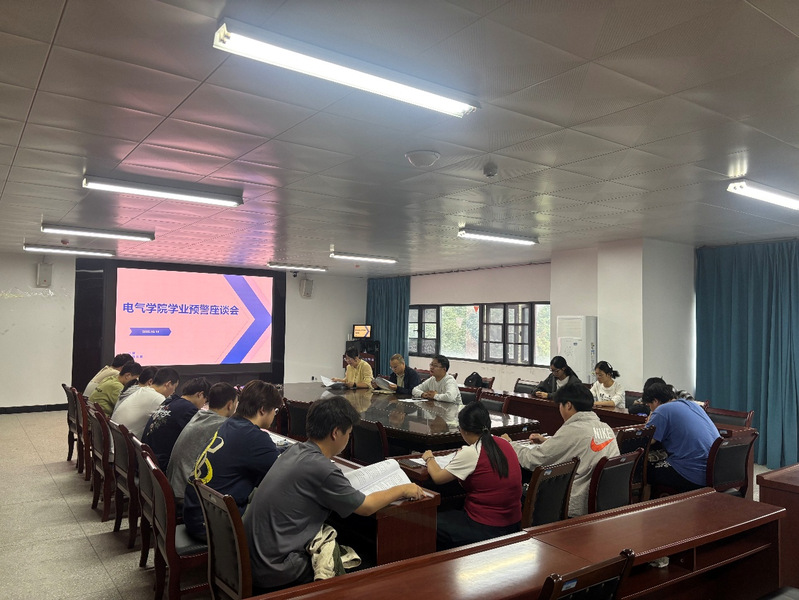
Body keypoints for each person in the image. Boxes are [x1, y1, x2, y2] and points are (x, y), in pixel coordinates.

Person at [244, 395, 424, 591]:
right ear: (336, 433)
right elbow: (366, 507)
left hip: (253, 557)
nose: (348, 438)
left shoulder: (295, 450)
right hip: (276, 568)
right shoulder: (322, 468)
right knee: (361, 564)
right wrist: (404, 488)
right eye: (349, 433)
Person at [183, 380, 283, 541]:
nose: (274, 415)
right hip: (211, 525)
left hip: (196, 513)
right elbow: (285, 477)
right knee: (281, 509)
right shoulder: (255, 438)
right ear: (263, 409)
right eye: (275, 410)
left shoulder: (230, 424)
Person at [502, 384, 618, 517]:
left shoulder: (574, 430)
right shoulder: (606, 428)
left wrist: (508, 444)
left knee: (513, 492)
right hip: (603, 502)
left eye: (560, 405)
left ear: (568, 405)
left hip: (572, 503)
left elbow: (534, 460)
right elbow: (580, 445)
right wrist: (547, 441)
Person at [421, 401, 522, 550]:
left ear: (464, 431)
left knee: (425, 522)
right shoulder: (504, 443)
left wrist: (429, 458)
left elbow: (437, 477)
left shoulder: (472, 452)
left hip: (486, 527)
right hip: (513, 523)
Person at [167, 382, 238, 503]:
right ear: (230, 405)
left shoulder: (199, 415)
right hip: (185, 494)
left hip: (174, 485)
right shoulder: (222, 425)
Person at [643, 382, 720, 493]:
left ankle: (651, 503)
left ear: (655, 401)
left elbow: (647, 439)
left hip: (693, 473)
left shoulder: (662, 410)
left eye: (649, 405)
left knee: (646, 470)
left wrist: (650, 419)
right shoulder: (692, 405)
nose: (650, 409)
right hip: (715, 471)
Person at [141, 377, 211, 472]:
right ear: (200, 394)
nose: (203, 405)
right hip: (161, 465)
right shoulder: (189, 410)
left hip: (148, 460)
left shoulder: (171, 401)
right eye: (205, 401)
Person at [111, 367, 179, 438]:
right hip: (126, 441)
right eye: (175, 387)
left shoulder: (142, 390)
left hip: (116, 437)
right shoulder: (158, 398)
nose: (174, 392)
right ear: (168, 384)